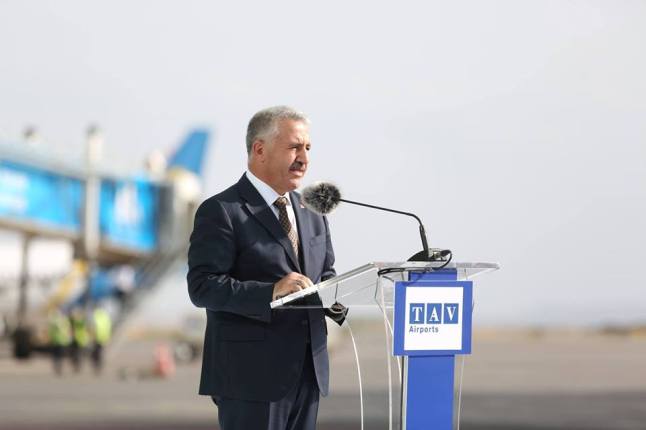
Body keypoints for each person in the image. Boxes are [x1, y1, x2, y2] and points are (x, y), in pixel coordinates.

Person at [187, 106, 342, 430]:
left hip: (308, 374)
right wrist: (271, 292)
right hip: (250, 378)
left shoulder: (312, 212)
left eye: (308, 148)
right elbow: (202, 286)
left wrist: (337, 295)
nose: (304, 158)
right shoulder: (222, 210)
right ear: (259, 149)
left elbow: (325, 273)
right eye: (294, 147)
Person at [48, 309, 71, 376]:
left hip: (59, 340)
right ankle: (57, 366)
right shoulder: (61, 320)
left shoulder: (57, 320)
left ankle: (58, 366)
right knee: (57, 355)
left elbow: (67, 329)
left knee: (58, 355)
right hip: (58, 340)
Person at [90, 306, 112, 375]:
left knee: (95, 353)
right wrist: (108, 337)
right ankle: (99, 365)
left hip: (96, 337)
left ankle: (97, 365)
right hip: (103, 337)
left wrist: (92, 336)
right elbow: (108, 327)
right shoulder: (105, 317)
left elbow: (93, 327)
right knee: (99, 352)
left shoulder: (95, 316)